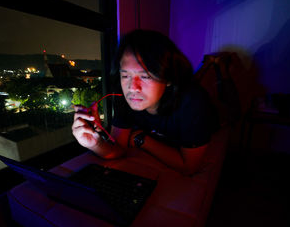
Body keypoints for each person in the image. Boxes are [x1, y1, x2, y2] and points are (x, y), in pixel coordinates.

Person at [72, 29, 218, 175]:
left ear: (168, 77)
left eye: (146, 76)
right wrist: (95, 143)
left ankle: (215, 66)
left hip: (218, 114)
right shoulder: (124, 97)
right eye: (125, 75)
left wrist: (141, 139)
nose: (132, 88)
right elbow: (118, 148)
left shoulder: (193, 102)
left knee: (221, 98)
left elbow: (189, 167)